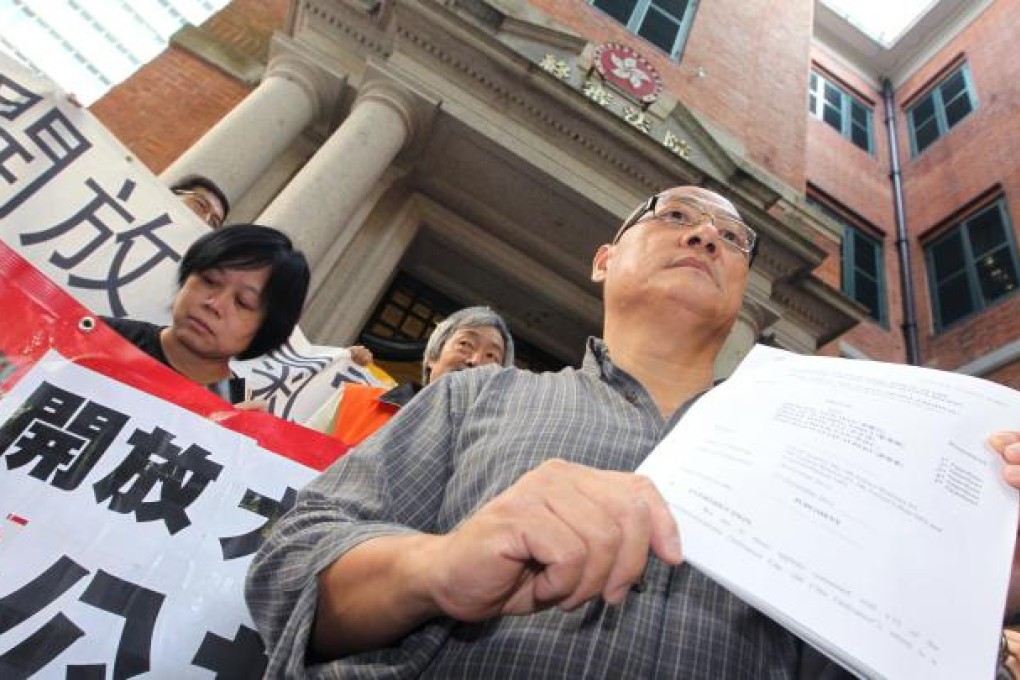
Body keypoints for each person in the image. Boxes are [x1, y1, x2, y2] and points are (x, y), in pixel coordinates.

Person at [245, 186, 1020, 678]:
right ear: (603, 260)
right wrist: (437, 565)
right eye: (677, 216)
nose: (706, 238)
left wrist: (974, 573)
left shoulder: (811, 456)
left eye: (731, 237)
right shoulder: (472, 396)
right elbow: (290, 563)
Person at [104, 224, 309, 405]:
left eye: (243, 302)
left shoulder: (233, 418)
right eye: (210, 281)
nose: (215, 304)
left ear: (266, 329)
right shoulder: (98, 336)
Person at [309, 306, 515, 447]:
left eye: (491, 356)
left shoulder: (486, 458)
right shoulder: (354, 401)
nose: (475, 361)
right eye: (466, 344)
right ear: (433, 356)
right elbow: (290, 458)